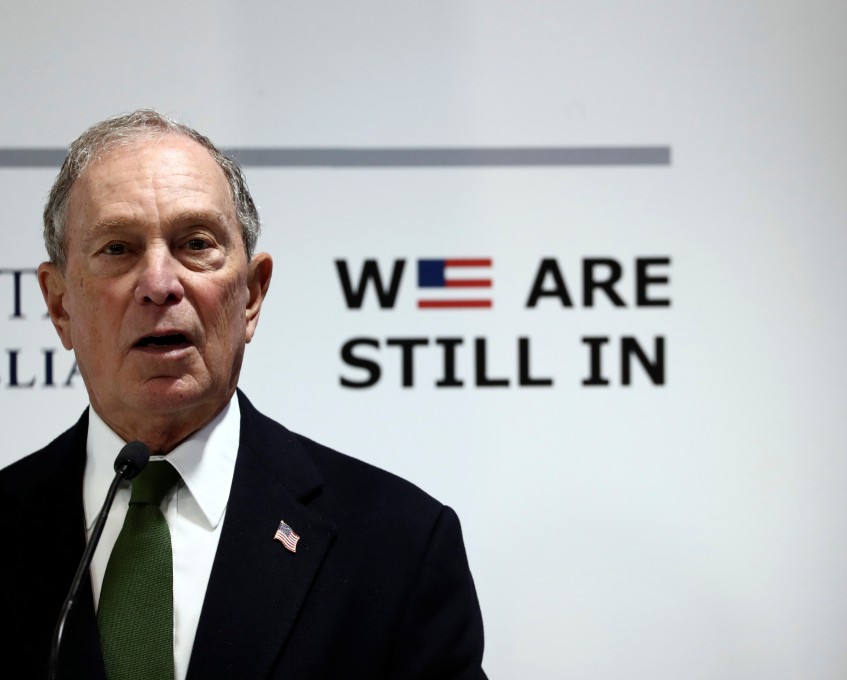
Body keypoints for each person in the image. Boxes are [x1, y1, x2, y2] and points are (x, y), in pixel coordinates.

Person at [0, 109, 487, 679]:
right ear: (59, 305)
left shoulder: (398, 545)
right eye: (117, 249)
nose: (159, 284)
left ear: (252, 295)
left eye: (195, 243)